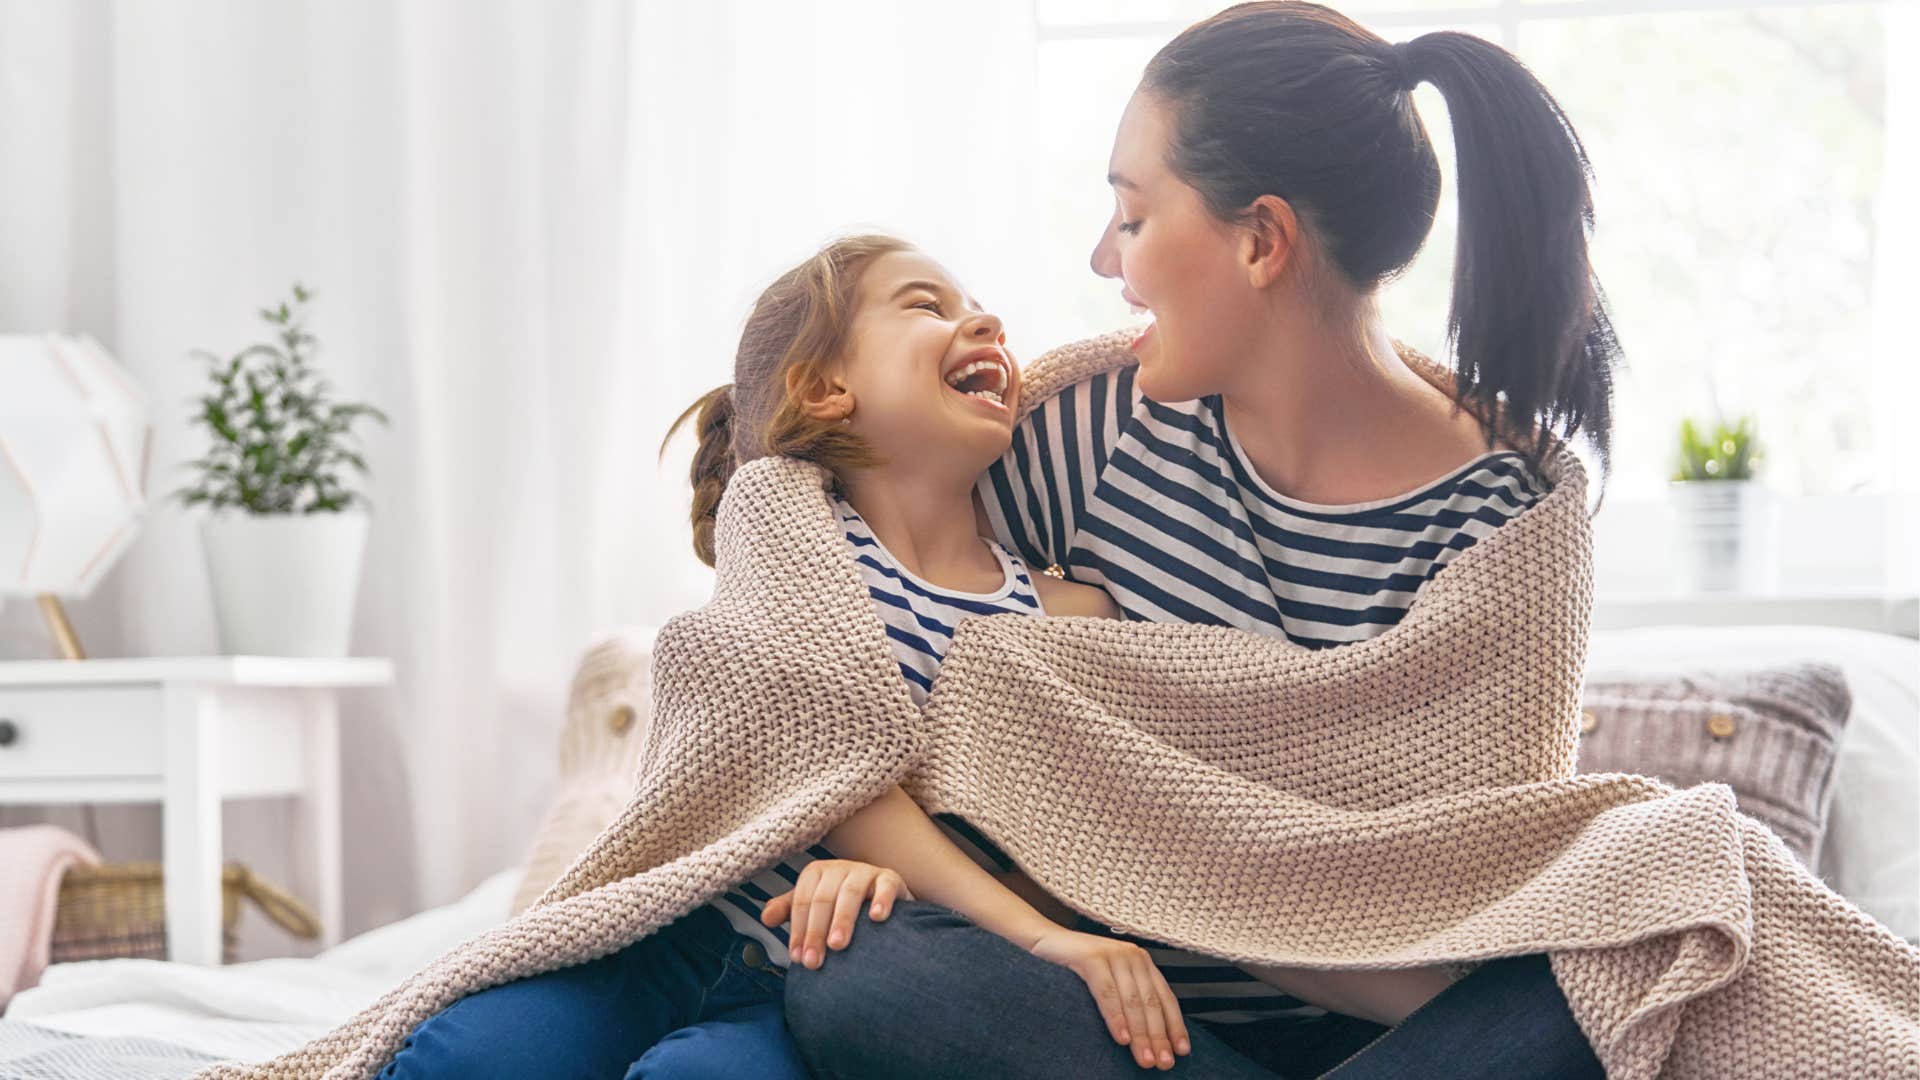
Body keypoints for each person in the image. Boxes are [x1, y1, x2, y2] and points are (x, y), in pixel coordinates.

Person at [781, 3, 1619, 1077]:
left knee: (1597, 985)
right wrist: (872, 861)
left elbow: (1465, 908)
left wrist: (1223, 881)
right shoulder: (1088, 434)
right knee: (874, 974)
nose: (1102, 257)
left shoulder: (1500, 529)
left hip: (1397, 1043)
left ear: (1261, 240)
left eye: (1132, 218)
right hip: (1118, 1026)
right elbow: (856, 620)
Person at [376, 234, 1238, 1078]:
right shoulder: (785, 529)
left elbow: (1080, 841)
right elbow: (822, 752)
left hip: (811, 988)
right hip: (676, 939)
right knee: (472, 1055)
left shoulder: (1069, 614)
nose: (986, 325)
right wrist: (1040, 939)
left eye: (980, 310)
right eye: (927, 305)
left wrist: (951, 912)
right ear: (825, 388)